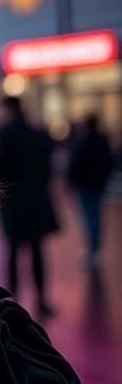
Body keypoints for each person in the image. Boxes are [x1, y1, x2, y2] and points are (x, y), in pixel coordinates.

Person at [0, 96, 58, 317]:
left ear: (7, 109)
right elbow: (48, 166)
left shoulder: (3, 135)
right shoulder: (36, 133)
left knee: (13, 252)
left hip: (14, 203)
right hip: (36, 200)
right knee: (37, 251)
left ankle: (11, 300)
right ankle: (41, 299)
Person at [66, 115, 115, 269]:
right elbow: (109, 161)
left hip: (85, 185)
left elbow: (75, 164)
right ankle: (94, 248)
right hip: (97, 184)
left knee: (89, 216)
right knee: (95, 215)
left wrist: (71, 182)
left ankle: (92, 249)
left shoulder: (83, 141)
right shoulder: (102, 140)